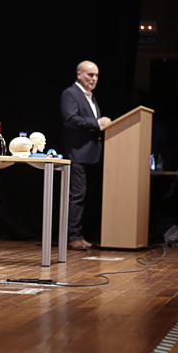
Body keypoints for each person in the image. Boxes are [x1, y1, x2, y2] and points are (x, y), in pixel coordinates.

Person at [60, 60, 111, 250]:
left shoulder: (90, 96)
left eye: (96, 75)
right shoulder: (71, 93)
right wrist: (97, 123)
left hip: (91, 154)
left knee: (85, 197)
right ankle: (73, 236)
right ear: (79, 74)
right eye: (90, 75)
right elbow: (70, 118)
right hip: (78, 154)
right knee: (77, 196)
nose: (94, 79)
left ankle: (81, 234)